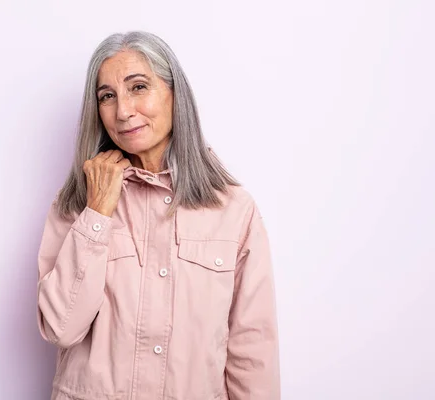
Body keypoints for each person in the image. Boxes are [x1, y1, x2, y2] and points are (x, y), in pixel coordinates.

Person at [36, 31, 280, 400]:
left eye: (138, 87)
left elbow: (252, 351)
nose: (123, 111)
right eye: (107, 96)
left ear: (174, 93)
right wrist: (97, 212)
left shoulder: (234, 209)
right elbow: (60, 328)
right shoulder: (77, 202)